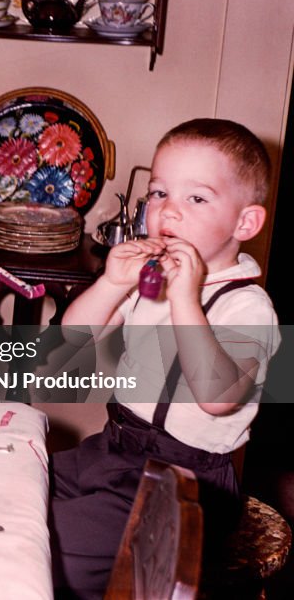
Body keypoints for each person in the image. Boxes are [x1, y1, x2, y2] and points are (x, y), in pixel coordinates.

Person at [49, 119, 280, 598]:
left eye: (196, 198)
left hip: (185, 481)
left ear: (245, 223)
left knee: (52, 544)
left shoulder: (248, 306)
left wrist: (184, 299)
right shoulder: (148, 279)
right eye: (158, 193)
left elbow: (218, 398)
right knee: (19, 490)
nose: (169, 210)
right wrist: (113, 283)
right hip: (115, 447)